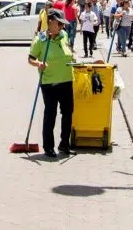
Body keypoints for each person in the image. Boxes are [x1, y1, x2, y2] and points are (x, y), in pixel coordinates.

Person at [28, 9, 75, 158]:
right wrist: (38, 64)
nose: (61, 27)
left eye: (62, 24)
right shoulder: (40, 39)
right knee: (51, 114)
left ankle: (64, 144)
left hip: (67, 79)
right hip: (49, 82)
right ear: (50, 22)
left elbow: (68, 50)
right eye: (59, 24)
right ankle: (48, 146)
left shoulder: (64, 35)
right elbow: (30, 58)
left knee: (68, 113)